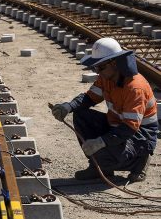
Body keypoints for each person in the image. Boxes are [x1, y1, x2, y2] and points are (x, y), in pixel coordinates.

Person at [51, 37, 158, 182]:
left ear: (114, 63)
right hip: (118, 125)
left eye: (100, 67)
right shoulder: (106, 77)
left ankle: (139, 161)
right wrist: (68, 106)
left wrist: (100, 142)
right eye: (95, 68)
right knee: (81, 115)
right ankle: (99, 167)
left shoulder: (134, 88)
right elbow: (89, 98)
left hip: (139, 136)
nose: (98, 72)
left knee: (105, 151)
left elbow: (128, 128)